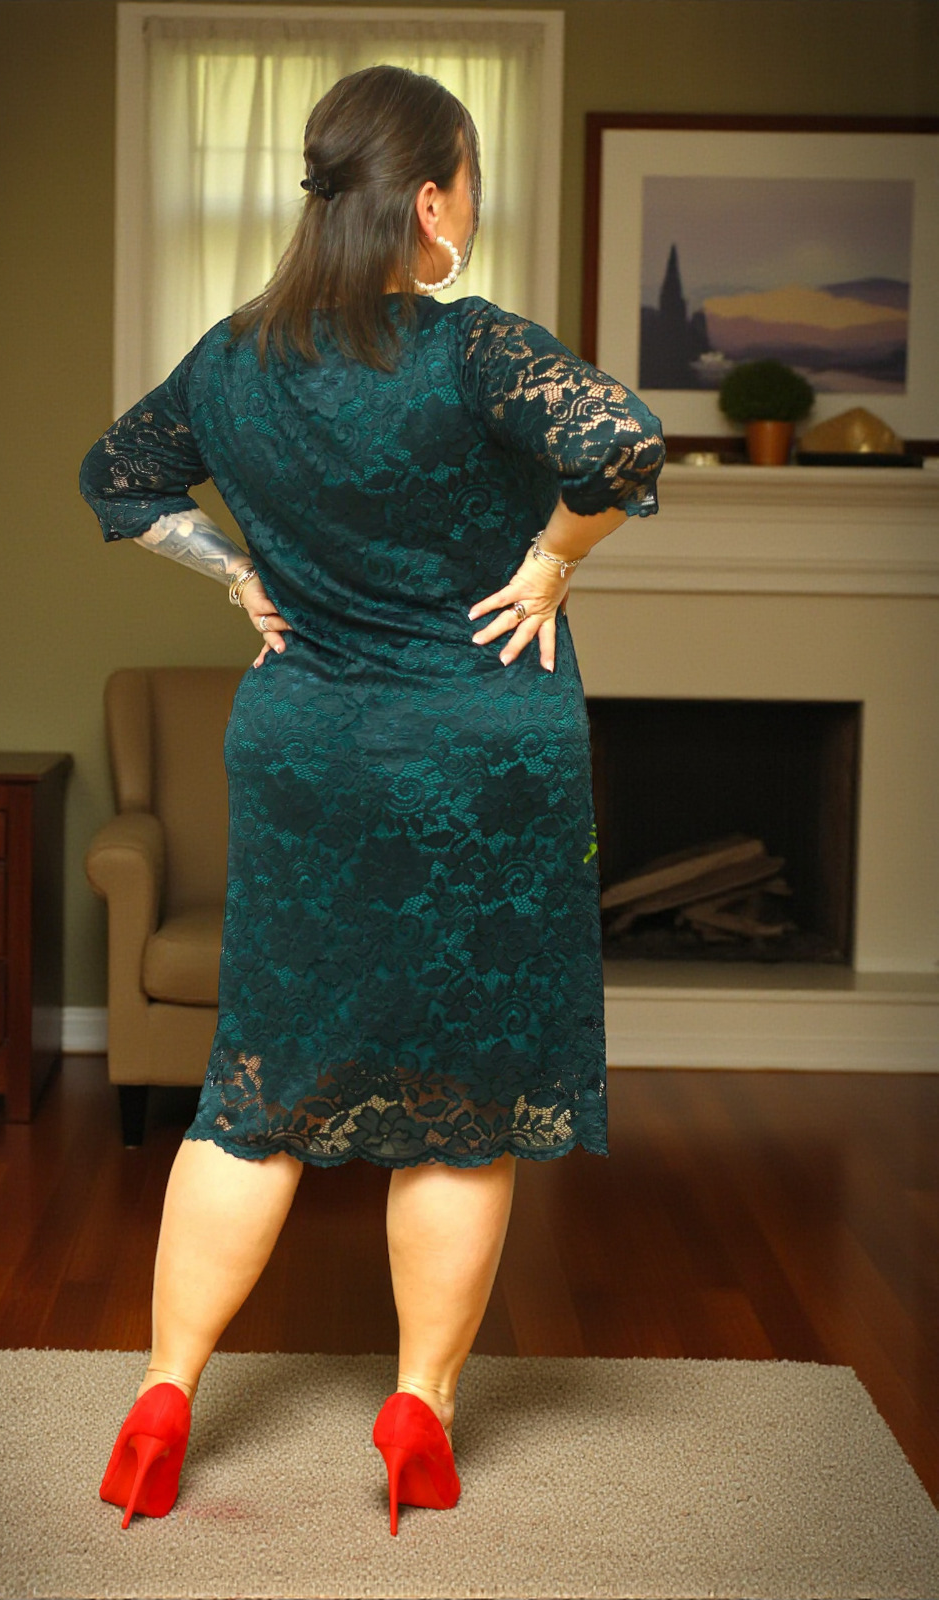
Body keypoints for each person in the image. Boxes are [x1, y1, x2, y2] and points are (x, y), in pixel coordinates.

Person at [79, 63, 664, 1538]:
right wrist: (551, 562)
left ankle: (162, 1400)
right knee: (460, 1106)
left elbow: (117, 478)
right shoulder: (473, 349)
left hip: (306, 748)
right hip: (481, 750)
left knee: (258, 1089)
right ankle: (418, 1413)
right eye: (468, 184)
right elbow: (622, 443)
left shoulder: (229, 361)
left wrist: (238, 574)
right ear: (430, 201)